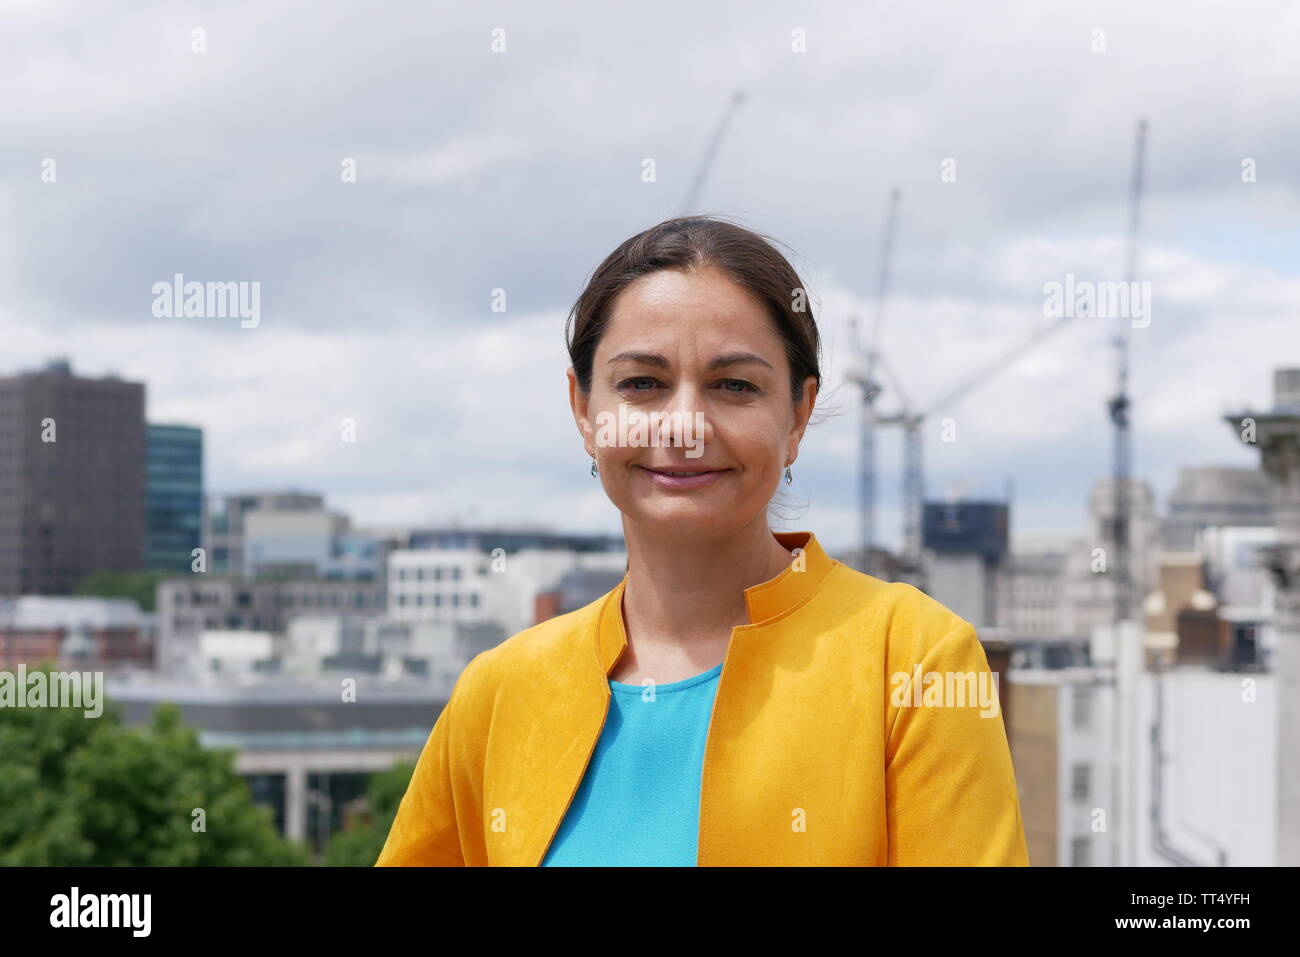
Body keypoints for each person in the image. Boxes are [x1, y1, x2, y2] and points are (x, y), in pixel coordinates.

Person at [375, 215, 1029, 866]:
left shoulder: (915, 662)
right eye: (642, 383)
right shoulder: (500, 692)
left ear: (797, 414)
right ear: (583, 410)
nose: (686, 425)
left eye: (734, 385)